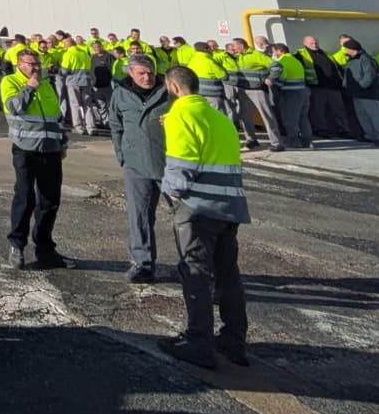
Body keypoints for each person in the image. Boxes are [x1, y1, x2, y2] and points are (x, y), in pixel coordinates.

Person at [158, 65, 250, 368]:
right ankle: (234, 339)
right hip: (230, 207)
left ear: (172, 87)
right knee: (228, 274)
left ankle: (199, 341)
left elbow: (181, 164)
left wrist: (173, 197)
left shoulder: (180, 115)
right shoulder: (220, 118)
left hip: (198, 208)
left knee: (195, 273)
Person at [0, 49, 72, 270]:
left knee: (50, 201)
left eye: (38, 64)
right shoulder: (9, 82)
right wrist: (29, 87)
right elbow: (15, 108)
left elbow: (56, 117)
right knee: (25, 197)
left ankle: (45, 248)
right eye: (31, 64)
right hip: (25, 149)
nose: (36, 68)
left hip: (50, 150)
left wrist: (62, 142)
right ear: (20, 65)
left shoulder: (47, 85)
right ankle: (16, 244)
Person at [110, 54, 170, 283]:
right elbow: (116, 125)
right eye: (141, 74)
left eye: (150, 73)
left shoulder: (169, 92)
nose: (147, 78)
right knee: (140, 215)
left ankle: (193, 264)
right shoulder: (121, 94)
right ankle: (142, 263)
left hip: (169, 163)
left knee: (184, 218)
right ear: (130, 74)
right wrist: (122, 153)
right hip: (136, 163)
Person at [339, 37, 379, 145]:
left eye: (346, 49)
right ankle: (370, 135)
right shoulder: (352, 59)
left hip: (368, 93)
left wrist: (360, 87)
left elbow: (369, 76)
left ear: (352, 49)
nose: (345, 51)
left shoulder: (366, 59)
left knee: (375, 115)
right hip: (356, 93)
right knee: (363, 116)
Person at [264, 43, 312, 149]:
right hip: (303, 91)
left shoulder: (282, 62)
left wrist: (271, 83)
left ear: (279, 51)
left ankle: (293, 142)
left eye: (274, 51)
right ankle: (307, 141)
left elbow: (281, 79)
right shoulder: (295, 60)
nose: (274, 54)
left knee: (290, 119)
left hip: (291, 93)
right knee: (303, 117)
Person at [60, 35, 99, 134]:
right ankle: (91, 127)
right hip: (85, 81)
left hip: (73, 81)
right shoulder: (84, 53)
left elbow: (65, 71)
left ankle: (79, 127)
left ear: (68, 45)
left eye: (64, 45)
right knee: (88, 105)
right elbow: (90, 68)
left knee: (75, 104)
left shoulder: (68, 54)